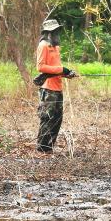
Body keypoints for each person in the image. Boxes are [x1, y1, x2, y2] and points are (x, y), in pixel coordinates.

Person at [35, 19, 77, 152]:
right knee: (47, 118)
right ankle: (42, 148)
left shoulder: (56, 47)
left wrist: (67, 73)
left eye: (56, 30)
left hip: (58, 87)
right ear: (47, 32)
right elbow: (40, 67)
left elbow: (56, 68)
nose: (55, 33)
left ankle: (49, 148)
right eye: (52, 31)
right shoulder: (43, 45)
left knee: (57, 119)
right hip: (48, 89)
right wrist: (61, 70)